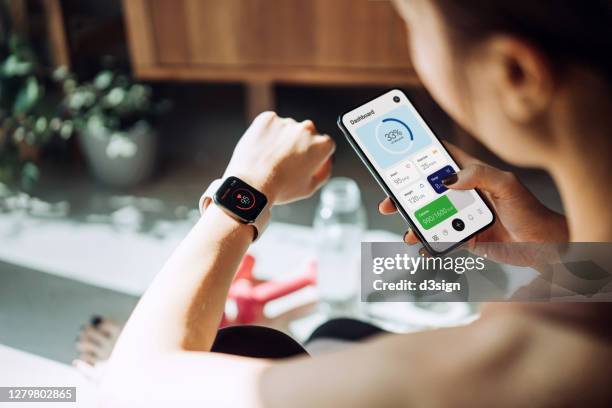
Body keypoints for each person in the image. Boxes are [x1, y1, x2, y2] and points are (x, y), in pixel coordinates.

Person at [99, 0, 612, 406]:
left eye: (412, 20)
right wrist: (554, 246)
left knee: (248, 346)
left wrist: (244, 193)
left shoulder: (499, 369)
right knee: (337, 329)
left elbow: (131, 386)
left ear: (515, 73)